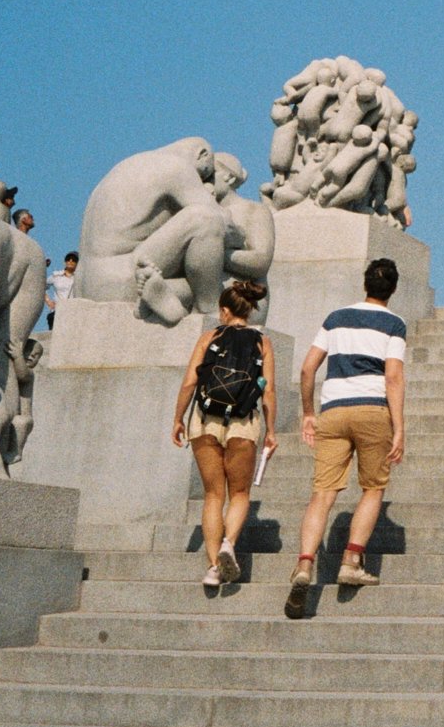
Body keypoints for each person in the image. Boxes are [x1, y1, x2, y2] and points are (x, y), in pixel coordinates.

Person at [285, 256, 406, 619]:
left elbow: (308, 367)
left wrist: (309, 412)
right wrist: (399, 426)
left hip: (334, 410)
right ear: (393, 290)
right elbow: (393, 377)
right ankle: (351, 560)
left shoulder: (336, 317)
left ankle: (305, 564)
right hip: (372, 410)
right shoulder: (394, 323)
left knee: (322, 494)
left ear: (365, 283)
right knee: (372, 488)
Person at [171, 278, 277, 593]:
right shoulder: (263, 343)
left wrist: (178, 418)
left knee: (213, 495)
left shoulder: (209, 337)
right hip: (243, 421)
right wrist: (271, 431)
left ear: (225, 310)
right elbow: (267, 392)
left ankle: (213, 568)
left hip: (204, 421)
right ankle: (229, 544)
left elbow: (190, 382)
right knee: (240, 493)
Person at [46, 250, 79, 328]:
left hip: (73, 312)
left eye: (74, 259)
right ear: (65, 261)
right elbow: (41, 287)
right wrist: (48, 301)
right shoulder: (56, 276)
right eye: (68, 259)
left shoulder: (79, 277)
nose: (70, 261)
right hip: (57, 312)